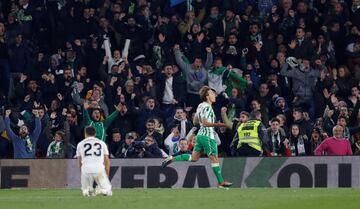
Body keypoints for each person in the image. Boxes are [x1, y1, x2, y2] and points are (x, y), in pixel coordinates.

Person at [162, 86, 232, 188]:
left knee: (194, 158)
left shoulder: (200, 106)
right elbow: (205, 123)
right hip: (207, 136)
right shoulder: (208, 107)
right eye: (212, 94)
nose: (214, 95)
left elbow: (195, 121)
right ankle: (221, 182)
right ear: (207, 96)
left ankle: (172, 158)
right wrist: (222, 124)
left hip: (200, 136)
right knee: (214, 158)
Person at [76, 126, 112, 196]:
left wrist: (82, 172)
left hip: (86, 168)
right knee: (108, 191)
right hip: (99, 168)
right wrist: (106, 175)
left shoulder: (80, 144)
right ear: (95, 134)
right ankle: (103, 191)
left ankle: (88, 190)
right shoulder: (102, 143)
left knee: (85, 190)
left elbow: (79, 162)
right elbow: (107, 161)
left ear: (85, 134)